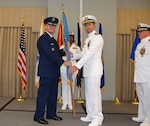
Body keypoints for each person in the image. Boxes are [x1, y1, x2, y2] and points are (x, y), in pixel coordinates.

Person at [34, 16, 71, 125]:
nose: (52, 27)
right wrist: (63, 62)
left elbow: (55, 52)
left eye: (53, 25)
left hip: (54, 71)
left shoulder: (52, 39)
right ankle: (38, 116)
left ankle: (51, 114)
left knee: (52, 94)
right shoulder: (43, 39)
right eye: (50, 25)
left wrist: (65, 53)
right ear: (45, 26)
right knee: (43, 95)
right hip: (46, 72)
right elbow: (50, 54)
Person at [69, 15, 104, 126]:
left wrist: (77, 66)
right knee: (89, 93)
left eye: (89, 24)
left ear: (94, 25)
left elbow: (89, 54)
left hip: (94, 70)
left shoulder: (98, 38)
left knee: (95, 94)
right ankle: (90, 114)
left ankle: (98, 117)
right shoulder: (88, 39)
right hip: (88, 71)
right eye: (86, 25)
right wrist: (72, 56)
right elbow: (83, 53)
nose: (87, 26)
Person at [132, 23, 150, 126]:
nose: (139, 33)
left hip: (147, 75)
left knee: (148, 98)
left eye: (141, 31)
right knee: (142, 97)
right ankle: (142, 116)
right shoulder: (140, 44)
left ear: (148, 32)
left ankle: (149, 118)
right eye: (138, 31)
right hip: (139, 75)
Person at [60, 32, 81, 110]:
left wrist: (78, 69)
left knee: (72, 85)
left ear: (73, 38)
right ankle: (65, 103)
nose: (70, 38)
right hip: (64, 67)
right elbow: (59, 57)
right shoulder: (62, 47)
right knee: (64, 85)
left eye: (72, 37)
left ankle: (70, 103)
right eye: (69, 37)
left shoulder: (77, 48)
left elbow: (79, 58)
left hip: (73, 67)